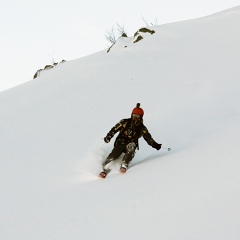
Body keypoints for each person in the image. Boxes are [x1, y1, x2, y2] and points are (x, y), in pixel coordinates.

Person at [100, 103, 162, 178]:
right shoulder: (125, 122)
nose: (135, 118)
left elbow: (148, 138)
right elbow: (114, 129)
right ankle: (104, 168)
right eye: (134, 115)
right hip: (120, 142)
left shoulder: (142, 128)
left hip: (130, 144)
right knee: (114, 155)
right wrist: (109, 136)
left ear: (141, 117)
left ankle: (124, 165)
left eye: (137, 116)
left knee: (132, 146)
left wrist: (156, 145)